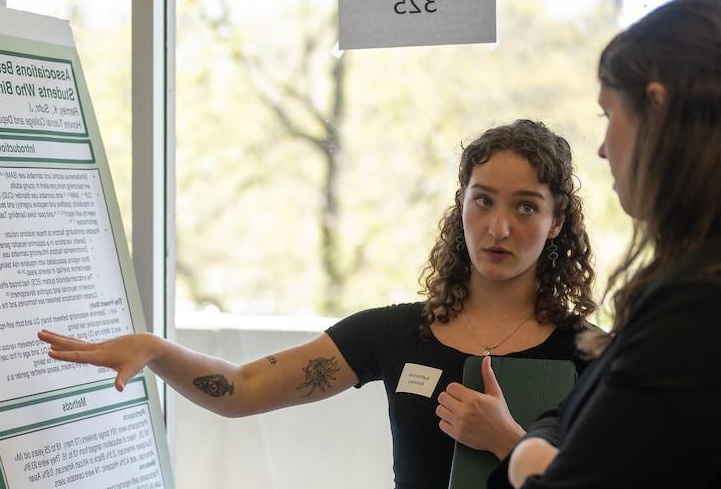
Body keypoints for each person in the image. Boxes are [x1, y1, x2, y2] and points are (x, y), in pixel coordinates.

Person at [39, 119, 598, 488]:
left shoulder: (592, 356)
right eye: (484, 201)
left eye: (526, 208)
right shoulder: (394, 334)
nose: (499, 226)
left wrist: (507, 441)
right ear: (461, 205)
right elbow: (244, 389)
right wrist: (157, 351)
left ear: (556, 224)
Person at [506, 0, 721, 488]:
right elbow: (580, 409)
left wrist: (526, 460)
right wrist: (542, 444)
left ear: (657, 108)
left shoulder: (715, 302)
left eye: (608, 116)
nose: (601, 147)